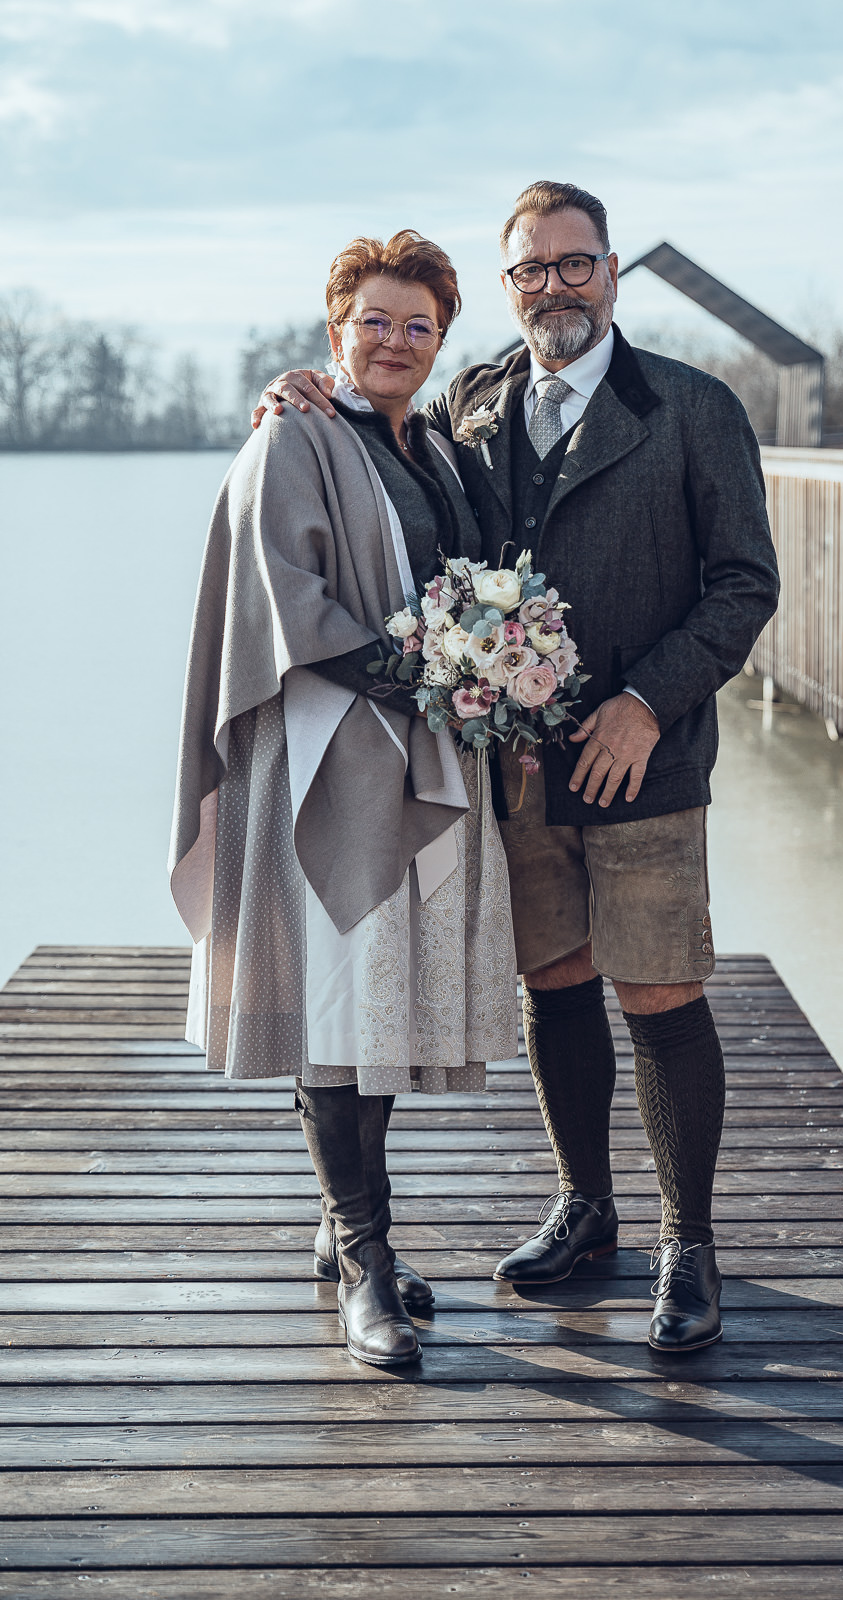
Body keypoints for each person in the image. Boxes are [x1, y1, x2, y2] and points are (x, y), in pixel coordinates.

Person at [255, 181, 780, 1353]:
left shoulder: (693, 408)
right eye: (529, 269)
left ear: (610, 271)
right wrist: (295, 391)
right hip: (515, 769)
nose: (553, 285)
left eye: (574, 262)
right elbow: (369, 433)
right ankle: (584, 1209)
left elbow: (744, 582)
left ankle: (687, 1246)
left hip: (645, 758)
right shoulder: (468, 402)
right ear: (507, 287)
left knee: (658, 990)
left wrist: (646, 701)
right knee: (557, 981)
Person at [170, 230, 517, 1368]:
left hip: (425, 747)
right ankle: (366, 1259)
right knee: (339, 1010)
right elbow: (286, 595)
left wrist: (484, 666)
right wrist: (427, 669)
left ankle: (342, 1225)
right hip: (334, 751)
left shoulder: (441, 448)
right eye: (375, 320)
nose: (396, 342)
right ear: (335, 329)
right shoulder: (295, 432)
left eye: (418, 325)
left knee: (385, 1004)